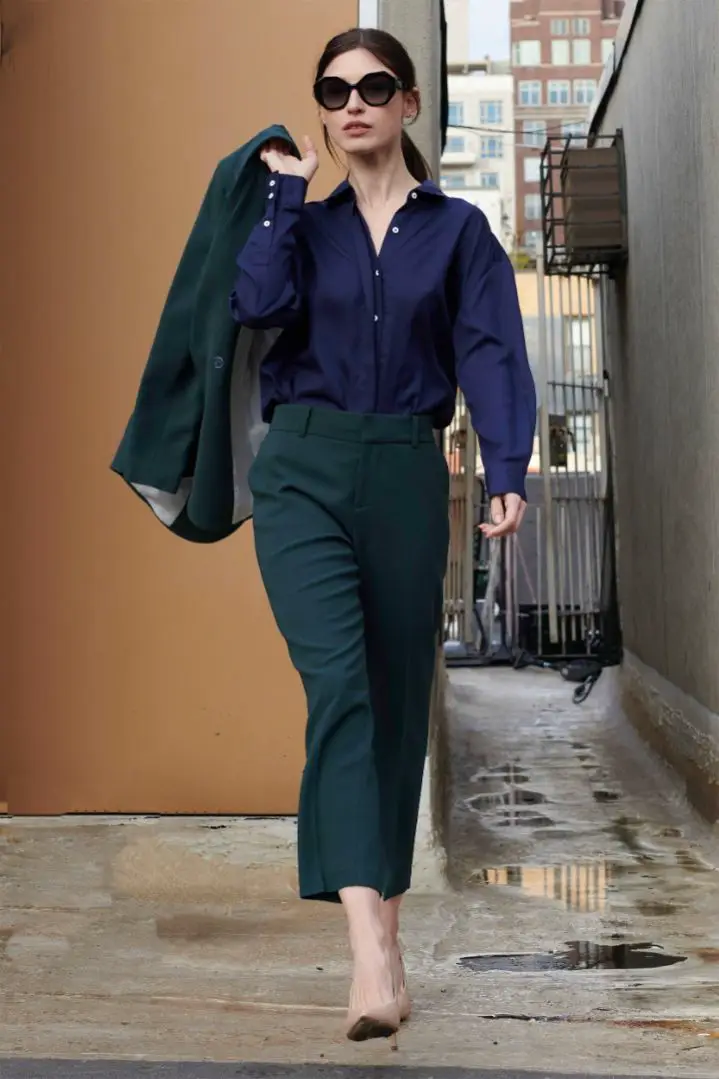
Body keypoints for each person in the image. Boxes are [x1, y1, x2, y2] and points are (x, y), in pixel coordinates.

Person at [230, 27, 536, 1044]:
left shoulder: (458, 232)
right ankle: (366, 944)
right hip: (302, 469)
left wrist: (505, 466)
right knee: (340, 686)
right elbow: (255, 304)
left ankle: (389, 940)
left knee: (398, 702)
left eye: (372, 86)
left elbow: (490, 349)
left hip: (406, 468)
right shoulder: (300, 224)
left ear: (408, 103)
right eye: (333, 90)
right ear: (322, 109)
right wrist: (284, 196)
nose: (351, 103)